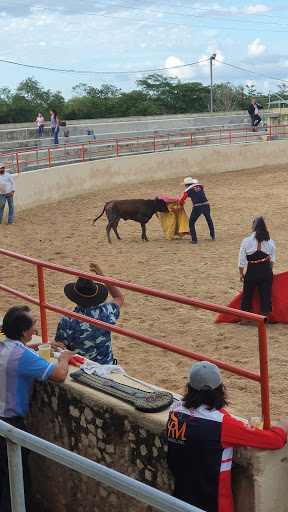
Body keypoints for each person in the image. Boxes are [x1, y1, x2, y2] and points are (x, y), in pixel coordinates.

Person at [166, 360, 288, 512]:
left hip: (180, 502)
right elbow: (275, 440)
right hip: (215, 507)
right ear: (219, 390)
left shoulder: (174, 412)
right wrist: (283, 425)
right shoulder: (223, 425)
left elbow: (208, 421)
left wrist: (232, 435)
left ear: (189, 388)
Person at [0, 305, 76, 512]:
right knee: (14, 482)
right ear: (24, 332)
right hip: (10, 425)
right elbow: (60, 375)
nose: (36, 330)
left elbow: (18, 352)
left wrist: (39, 346)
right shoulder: (22, 357)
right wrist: (64, 358)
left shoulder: (4, 345)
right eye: (34, 325)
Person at [55, 263, 124, 363]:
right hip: (104, 366)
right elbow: (119, 297)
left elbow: (60, 347)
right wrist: (104, 278)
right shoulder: (107, 312)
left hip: (78, 366)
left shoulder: (67, 320)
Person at [238, 216, 275, 324]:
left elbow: (241, 260)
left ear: (253, 227)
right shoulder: (270, 241)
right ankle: (265, 320)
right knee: (266, 295)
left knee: (247, 294)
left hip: (252, 271)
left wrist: (241, 273)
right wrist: (269, 272)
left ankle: (244, 319)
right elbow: (272, 260)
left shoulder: (246, 241)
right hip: (266, 270)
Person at [178, 176, 215, 244]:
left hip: (197, 207)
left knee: (191, 223)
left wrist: (180, 200)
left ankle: (194, 239)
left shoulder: (187, 190)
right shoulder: (200, 186)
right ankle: (212, 235)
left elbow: (181, 200)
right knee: (208, 219)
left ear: (186, 185)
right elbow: (201, 188)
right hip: (206, 205)